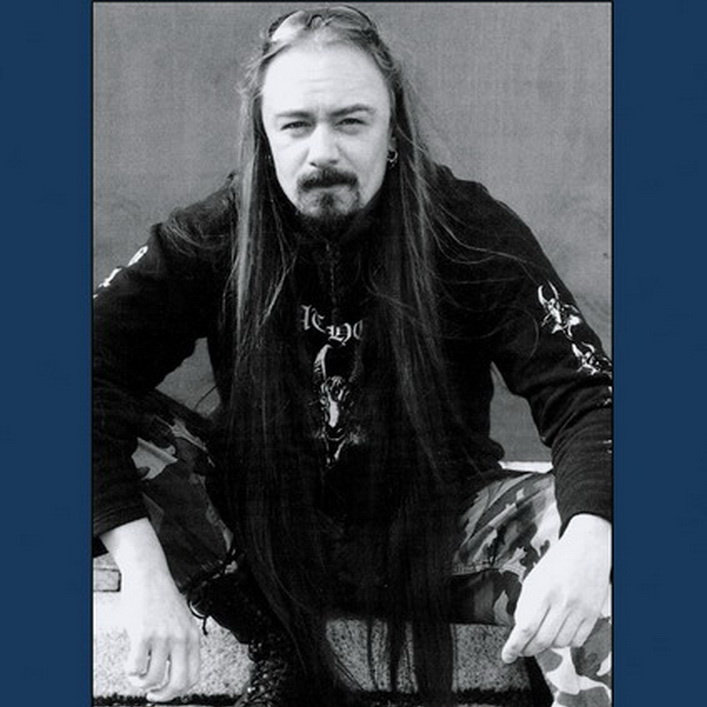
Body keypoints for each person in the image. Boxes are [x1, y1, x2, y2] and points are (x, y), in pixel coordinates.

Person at [93, 6, 612, 707]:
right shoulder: (213, 237)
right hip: (260, 549)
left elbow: (588, 396)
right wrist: (144, 573)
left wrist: (588, 540)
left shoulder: (467, 231)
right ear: (264, 137)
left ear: (391, 131)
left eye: (350, 121)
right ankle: (273, 637)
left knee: (619, 535)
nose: (323, 151)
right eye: (296, 125)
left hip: (441, 539)